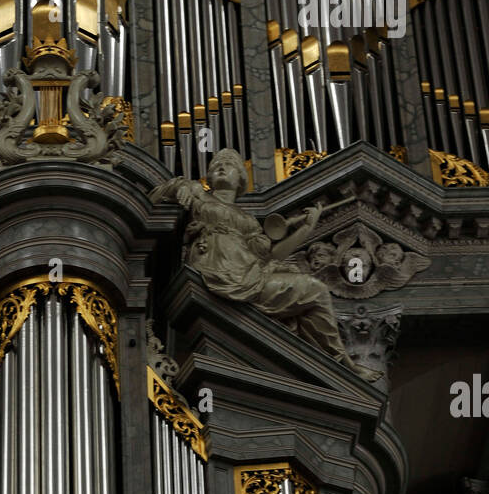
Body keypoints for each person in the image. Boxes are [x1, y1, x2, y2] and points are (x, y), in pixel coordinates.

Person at [150, 148, 381, 383]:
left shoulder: (249, 222)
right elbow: (156, 196)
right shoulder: (198, 194)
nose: (220, 166)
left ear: (240, 178)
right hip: (213, 269)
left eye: (229, 165)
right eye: (216, 164)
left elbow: (271, 256)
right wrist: (180, 187)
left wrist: (306, 229)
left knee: (316, 291)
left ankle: (343, 365)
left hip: (250, 274)